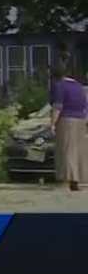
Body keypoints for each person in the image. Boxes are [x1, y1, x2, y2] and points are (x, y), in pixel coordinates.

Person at [50, 61, 88, 191]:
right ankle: (78, 178)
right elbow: (85, 106)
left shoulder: (60, 86)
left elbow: (57, 106)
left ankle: (69, 180)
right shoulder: (79, 86)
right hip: (81, 120)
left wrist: (52, 123)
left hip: (67, 120)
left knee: (67, 150)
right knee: (78, 150)